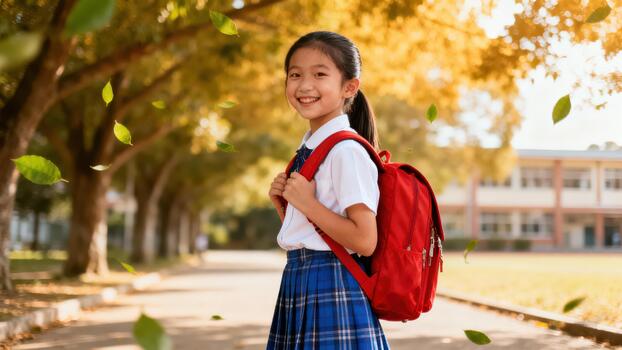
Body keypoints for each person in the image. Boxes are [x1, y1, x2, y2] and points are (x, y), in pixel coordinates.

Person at [267, 31, 389, 349]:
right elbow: (315, 232)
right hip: (302, 279)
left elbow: (364, 240)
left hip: (332, 284)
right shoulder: (310, 149)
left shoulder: (345, 151)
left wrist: (306, 203)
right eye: (295, 75)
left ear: (349, 87)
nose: (304, 85)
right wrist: (285, 205)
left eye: (320, 74)